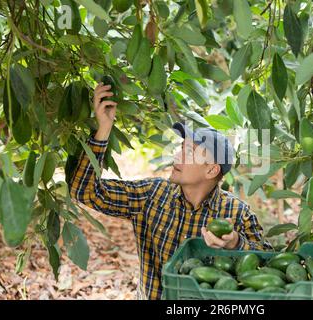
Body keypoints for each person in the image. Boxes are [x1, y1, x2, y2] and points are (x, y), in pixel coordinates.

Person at [69, 83, 273, 300]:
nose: (177, 155)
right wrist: (103, 129)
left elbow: (269, 262)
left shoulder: (236, 213)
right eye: (180, 148)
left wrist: (235, 244)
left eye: (189, 151)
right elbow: (85, 192)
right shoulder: (152, 195)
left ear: (212, 169)